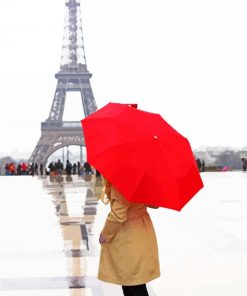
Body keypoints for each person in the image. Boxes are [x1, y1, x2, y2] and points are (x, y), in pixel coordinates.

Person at [98, 178, 160, 296]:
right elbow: (155, 203)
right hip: (143, 232)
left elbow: (118, 214)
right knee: (136, 284)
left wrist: (105, 234)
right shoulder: (142, 177)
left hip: (128, 237)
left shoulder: (123, 179)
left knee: (133, 286)